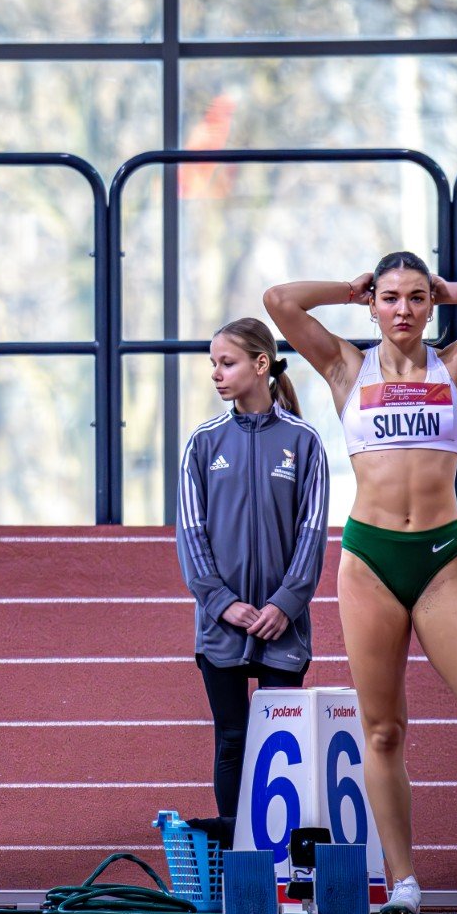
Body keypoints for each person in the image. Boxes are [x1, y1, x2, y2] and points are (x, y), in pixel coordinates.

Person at [264, 252, 457, 914]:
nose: (403, 310)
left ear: (430, 304)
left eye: (416, 298)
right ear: (371, 305)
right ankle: (403, 881)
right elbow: (278, 300)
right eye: (389, 298)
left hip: (443, 561)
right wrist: (345, 285)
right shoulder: (343, 367)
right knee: (383, 730)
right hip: (370, 561)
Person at [177, 318, 329, 847]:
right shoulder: (202, 443)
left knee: (281, 744)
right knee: (233, 741)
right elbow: (191, 532)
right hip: (222, 629)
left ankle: (283, 862)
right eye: (213, 364)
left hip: (282, 629)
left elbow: (313, 532)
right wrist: (222, 604)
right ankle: (239, 863)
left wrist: (285, 605)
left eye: (227, 362)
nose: (216, 374)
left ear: (261, 365)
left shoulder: (305, 443)